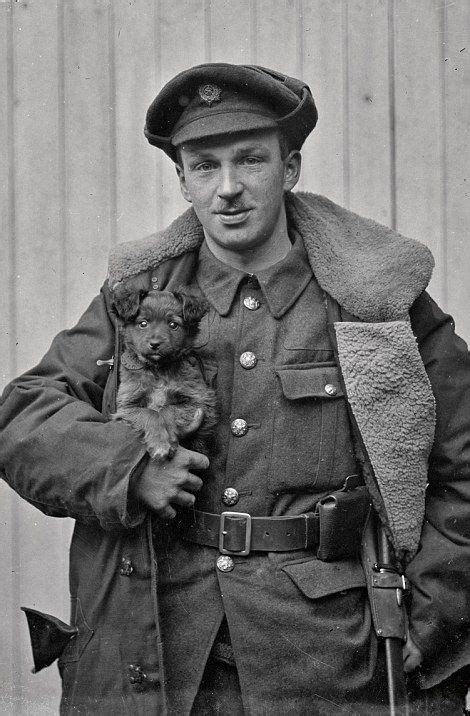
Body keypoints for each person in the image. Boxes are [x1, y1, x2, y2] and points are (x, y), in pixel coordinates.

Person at [1, 62, 470, 715]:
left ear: (291, 167)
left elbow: (464, 464)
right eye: (203, 165)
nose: (228, 188)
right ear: (183, 180)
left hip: (330, 660)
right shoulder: (138, 297)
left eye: (250, 160)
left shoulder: (377, 302)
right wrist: (130, 468)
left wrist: (435, 607)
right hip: (165, 646)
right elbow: (23, 418)